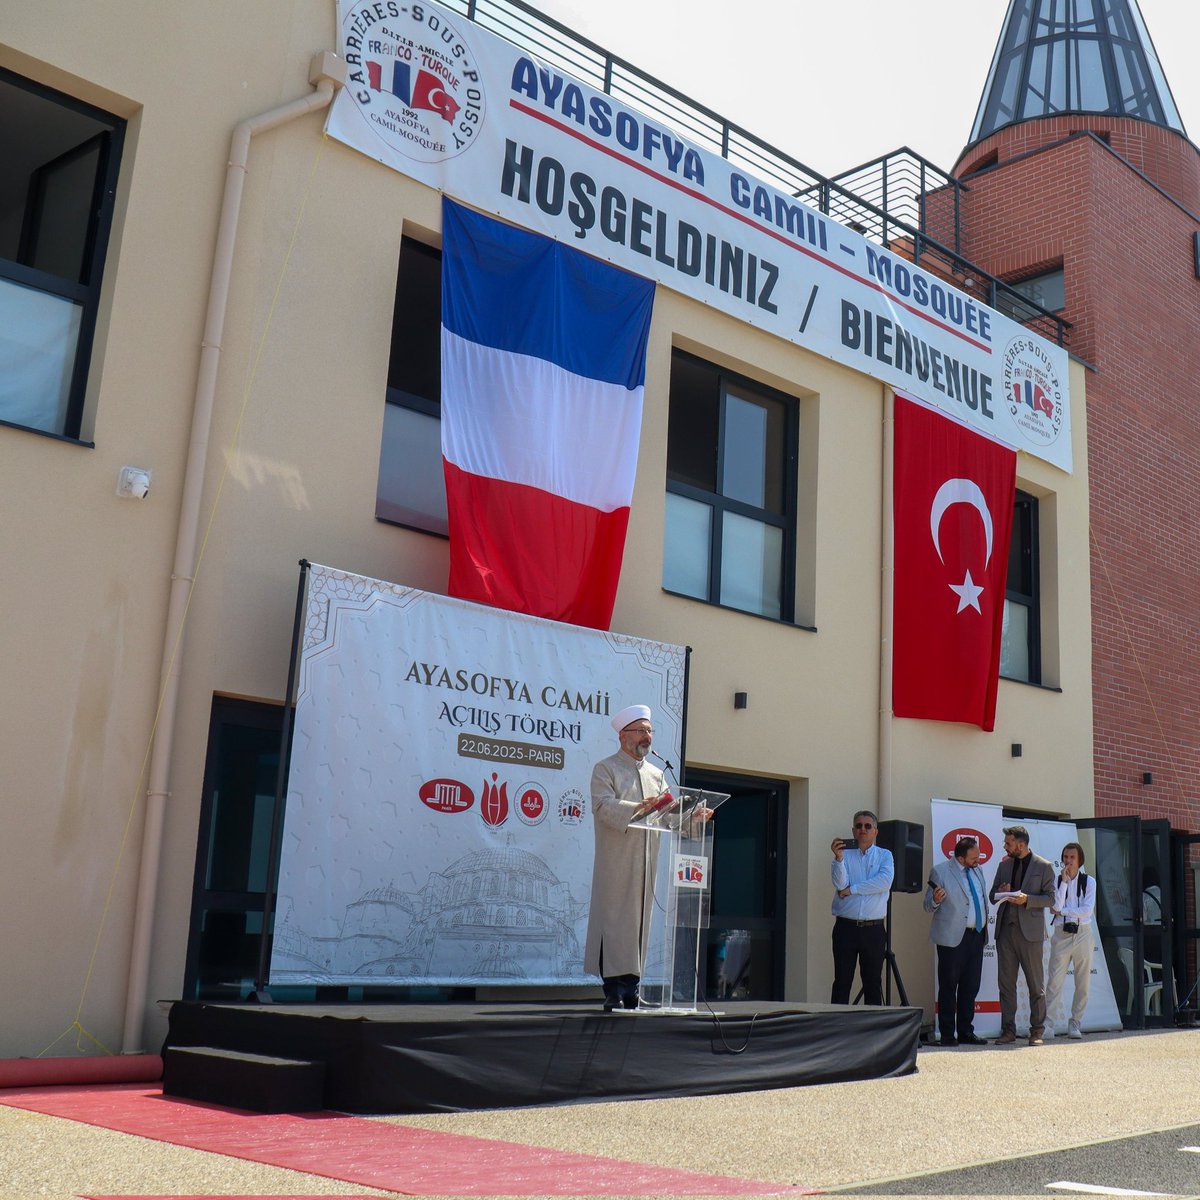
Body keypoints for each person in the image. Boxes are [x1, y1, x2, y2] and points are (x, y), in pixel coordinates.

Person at [583, 704, 710, 1011]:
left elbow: (668, 818)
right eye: (641, 731)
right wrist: (640, 806)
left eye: (650, 731)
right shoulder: (606, 768)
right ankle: (613, 989)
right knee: (614, 921)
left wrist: (694, 818)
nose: (647, 737)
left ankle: (633, 988)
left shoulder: (656, 774)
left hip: (647, 861)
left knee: (640, 923)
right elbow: (603, 807)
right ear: (623, 735)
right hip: (617, 860)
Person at [989, 824, 1056, 1045]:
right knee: (1006, 985)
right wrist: (1001, 890)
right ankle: (1008, 1030)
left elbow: (1051, 899)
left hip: (1030, 933)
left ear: (1021, 844)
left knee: (1035, 984)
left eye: (1008, 843)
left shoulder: (1043, 866)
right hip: (1006, 933)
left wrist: (1028, 899)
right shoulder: (1004, 865)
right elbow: (992, 896)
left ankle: (1037, 1030)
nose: (1005, 846)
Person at [924, 836, 990, 1046]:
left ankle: (966, 1031)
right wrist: (935, 899)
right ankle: (946, 1034)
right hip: (952, 938)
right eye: (973, 858)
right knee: (948, 986)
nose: (977, 861)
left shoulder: (977, 871)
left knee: (971, 986)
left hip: (976, 935)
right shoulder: (941, 871)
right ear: (960, 858)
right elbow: (927, 904)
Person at [830, 810, 894, 1005]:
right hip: (845, 927)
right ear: (853, 830)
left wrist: (854, 889)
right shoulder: (844, 855)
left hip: (873, 929)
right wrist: (839, 858)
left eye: (868, 826)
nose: (863, 830)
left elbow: (884, 882)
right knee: (842, 981)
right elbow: (840, 885)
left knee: (872, 982)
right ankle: (835, 1029)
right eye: (859, 826)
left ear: (876, 831)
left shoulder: (885, 855)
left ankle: (872, 1032)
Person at [1044, 841, 1096, 1039]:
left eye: (1072, 857)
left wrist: (1064, 911)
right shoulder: (1057, 881)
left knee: (1082, 981)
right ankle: (1048, 1025)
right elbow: (1055, 903)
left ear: (1079, 860)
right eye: (1066, 857)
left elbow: (1086, 910)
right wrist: (1064, 883)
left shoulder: (1088, 881)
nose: (1068, 861)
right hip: (1061, 933)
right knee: (1054, 981)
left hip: (1082, 933)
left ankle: (1075, 1023)